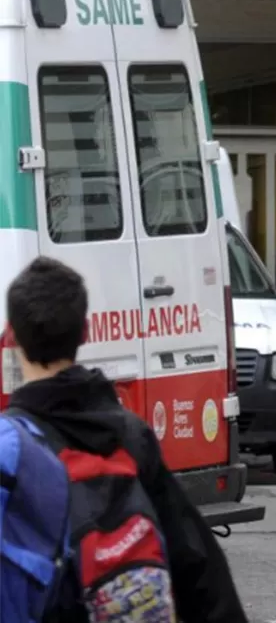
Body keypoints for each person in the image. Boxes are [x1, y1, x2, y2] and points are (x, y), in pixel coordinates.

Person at [5, 256, 249, 622]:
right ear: (86, 332)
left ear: (11, 336)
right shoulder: (129, 433)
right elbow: (194, 558)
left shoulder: (14, 446)